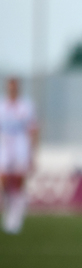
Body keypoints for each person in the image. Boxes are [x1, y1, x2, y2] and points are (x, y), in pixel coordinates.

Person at [0, 77, 39, 234]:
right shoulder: (2, 106)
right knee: (4, 182)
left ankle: (16, 218)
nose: (12, 90)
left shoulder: (26, 106)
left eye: (14, 87)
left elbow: (33, 130)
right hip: (4, 147)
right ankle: (8, 214)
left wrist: (33, 153)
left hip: (21, 147)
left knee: (18, 183)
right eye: (10, 87)